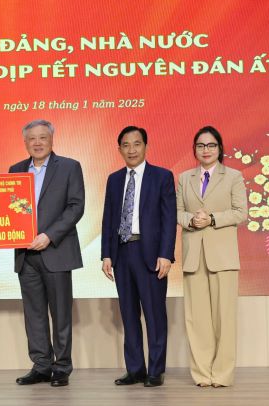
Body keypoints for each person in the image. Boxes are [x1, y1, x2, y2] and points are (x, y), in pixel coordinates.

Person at [9, 120, 85, 388]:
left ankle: (62, 367)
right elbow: (9, 208)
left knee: (61, 313)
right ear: (25, 143)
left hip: (56, 250)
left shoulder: (69, 167)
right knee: (34, 314)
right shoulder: (15, 170)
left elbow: (76, 207)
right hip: (25, 255)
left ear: (52, 139)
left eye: (43, 137)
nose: (38, 143)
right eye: (32, 139)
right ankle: (41, 365)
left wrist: (49, 235)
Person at [100, 126, 176, 388]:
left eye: (136, 144)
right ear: (119, 148)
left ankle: (155, 370)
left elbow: (169, 219)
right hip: (122, 254)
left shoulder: (162, 177)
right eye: (125, 145)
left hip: (151, 255)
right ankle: (135, 369)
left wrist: (166, 254)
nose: (131, 150)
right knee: (129, 316)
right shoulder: (114, 179)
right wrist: (107, 254)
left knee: (155, 315)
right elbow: (109, 218)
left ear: (146, 146)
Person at [176, 126, 247, 387]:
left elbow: (241, 212)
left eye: (211, 145)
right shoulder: (184, 178)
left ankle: (222, 374)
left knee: (224, 318)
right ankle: (202, 374)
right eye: (201, 145)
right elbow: (177, 212)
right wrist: (191, 220)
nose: (206, 150)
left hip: (223, 257)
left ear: (220, 148)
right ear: (194, 149)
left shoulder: (234, 176)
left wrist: (213, 218)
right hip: (194, 256)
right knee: (197, 319)